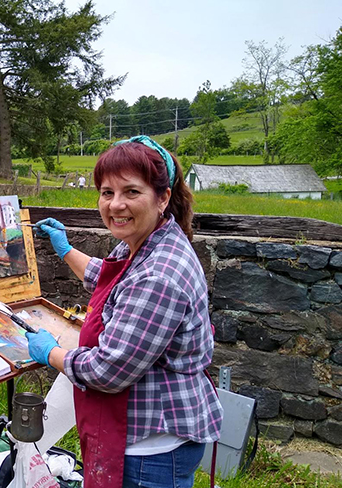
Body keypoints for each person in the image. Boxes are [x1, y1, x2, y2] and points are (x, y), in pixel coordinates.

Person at [27, 135, 223, 488]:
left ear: (162, 197)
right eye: (107, 192)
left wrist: (51, 353)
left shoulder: (159, 274)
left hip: (152, 452)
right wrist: (65, 249)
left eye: (131, 192)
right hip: (142, 438)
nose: (116, 204)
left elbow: (108, 371)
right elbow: (111, 278)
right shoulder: (147, 242)